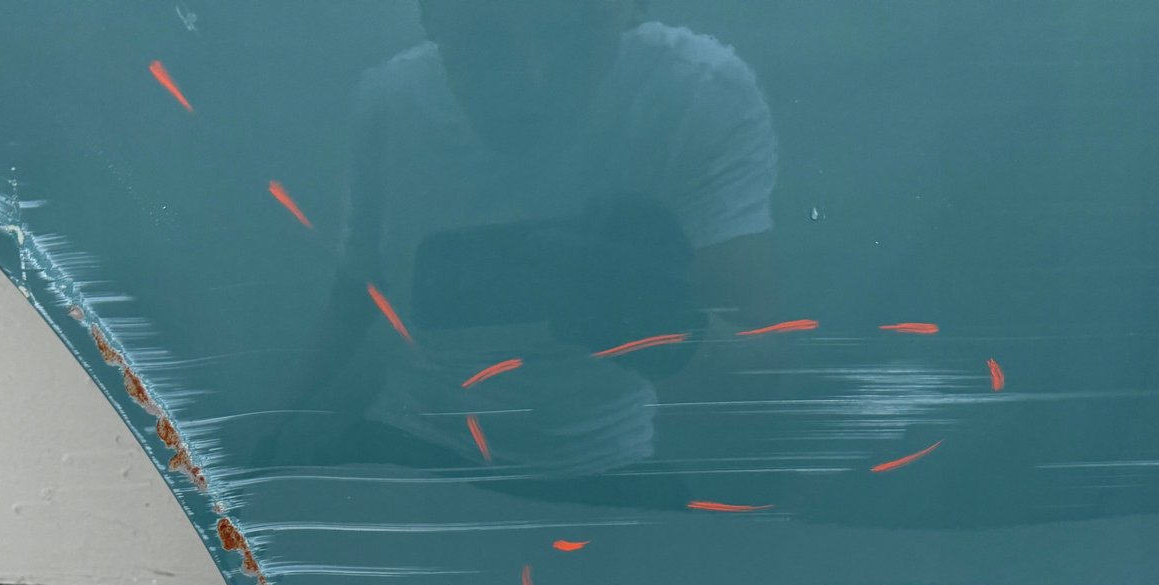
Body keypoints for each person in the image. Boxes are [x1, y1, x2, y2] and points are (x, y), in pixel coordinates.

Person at [273, 0, 779, 491]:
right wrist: (273, 432)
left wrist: (665, 328)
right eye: (483, 37)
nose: (533, 78)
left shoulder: (700, 93)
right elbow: (356, 295)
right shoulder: (390, 100)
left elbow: (760, 369)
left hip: (546, 455)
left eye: (577, 29)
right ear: (430, 13)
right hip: (441, 444)